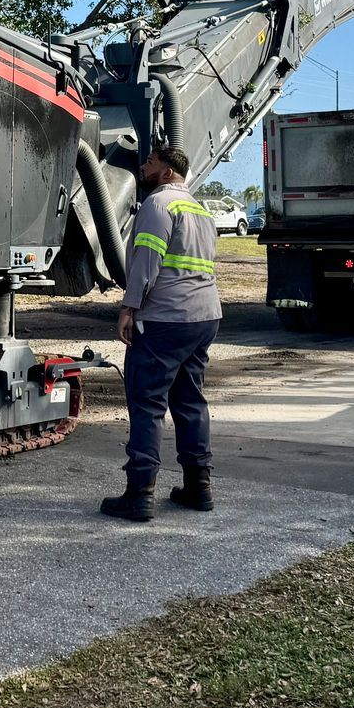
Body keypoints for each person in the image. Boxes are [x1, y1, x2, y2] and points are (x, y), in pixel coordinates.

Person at [102, 144, 222, 522]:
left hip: (166, 319)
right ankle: (198, 487)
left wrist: (129, 307)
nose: (143, 166)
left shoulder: (158, 205)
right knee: (189, 401)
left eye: (150, 162)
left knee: (147, 403)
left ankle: (139, 494)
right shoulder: (199, 209)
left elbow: (146, 261)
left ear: (168, 171)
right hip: (203, 317)